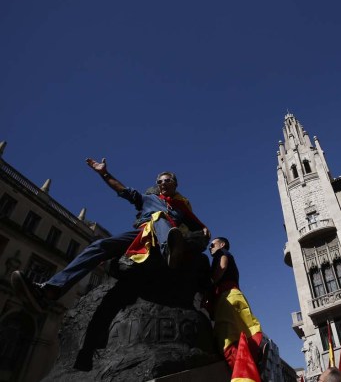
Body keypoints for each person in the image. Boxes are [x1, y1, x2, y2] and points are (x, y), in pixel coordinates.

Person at [11, 158, 210, 312]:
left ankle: (171, 251)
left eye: (166, 180)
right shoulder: (148, 198)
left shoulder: (181, 206)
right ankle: (50, 290)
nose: (162, 183)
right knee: (99, 246)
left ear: (175, 184)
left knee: (159, 218)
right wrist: (104, 174)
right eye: (159, 181)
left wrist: (204, 232)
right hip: (142, 234)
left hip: (164, 237)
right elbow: (123, 190)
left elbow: (198, 225)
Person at [204, 236, 263, 372]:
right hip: (235, 295)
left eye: (212, 245)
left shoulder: (221, 253)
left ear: (222, 244)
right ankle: (254, 359)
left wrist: (211, 283)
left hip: (227, 297)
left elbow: (222, 266)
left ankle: (242, 370)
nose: (210, 248)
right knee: (243, 330)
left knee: (227, 336)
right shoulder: (228, 257)